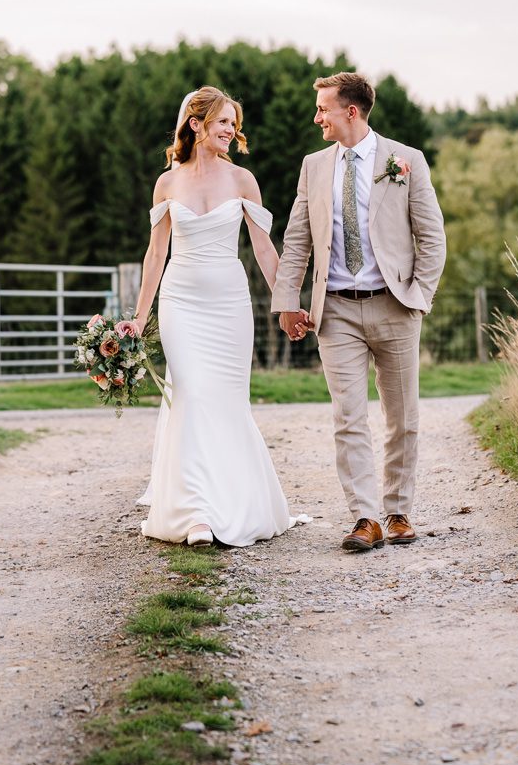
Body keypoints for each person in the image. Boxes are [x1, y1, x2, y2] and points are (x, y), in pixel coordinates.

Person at [272, 72, 446, 552]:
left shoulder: (405, 160)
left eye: (323, 108)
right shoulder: (313, 166)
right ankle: (364, 518)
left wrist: (419, 295)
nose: (317, 117)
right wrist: (288, 302)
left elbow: (432, 238)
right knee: (348, 417)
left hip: (395, 306)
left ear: (351, 111)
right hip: (337, 313)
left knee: (402, 416)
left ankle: (398, 511)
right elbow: (298, 239)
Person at [125, 86, 301, 547]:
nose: (231, 130)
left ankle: (232, 501)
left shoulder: (242, 180)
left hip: (229, 304)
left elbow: (264, 247)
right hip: (181, 301)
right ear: (196, 124)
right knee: (193, 394)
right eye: (223, 121)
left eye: (233, 123)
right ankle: (198, 512)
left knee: (225, 400)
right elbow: (155, 253)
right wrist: (139, 320)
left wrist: (285, 301)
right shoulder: (168, 183)